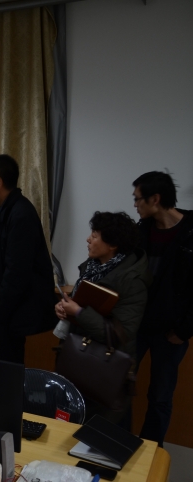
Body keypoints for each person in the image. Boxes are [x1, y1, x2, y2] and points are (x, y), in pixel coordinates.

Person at [56, 211, 151, 424]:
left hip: (106, 369)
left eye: (95, 235)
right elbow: (80, 304)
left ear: (113, 245)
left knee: (100, 432)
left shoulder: (133, 281)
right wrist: (64, 308)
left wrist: (78, 312)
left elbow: (122, 333)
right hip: (78, 358)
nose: (88, 239)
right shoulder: (92, 268)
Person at [132, 171, 192, 445]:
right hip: (137, 325)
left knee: (160, 397)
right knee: (118, 386)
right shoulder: (141, 230)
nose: (135, 204)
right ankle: (116, 445)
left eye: (138, 199)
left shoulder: (190, 232)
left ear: (155, 199)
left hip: (171, 332)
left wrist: (184, 330)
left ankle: (150, 453)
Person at [0, 154, 55, 364]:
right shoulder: (5, 211)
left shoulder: (21, 214)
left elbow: (17, 271)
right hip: (2, 310)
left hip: (9, 311)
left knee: (7, 368)